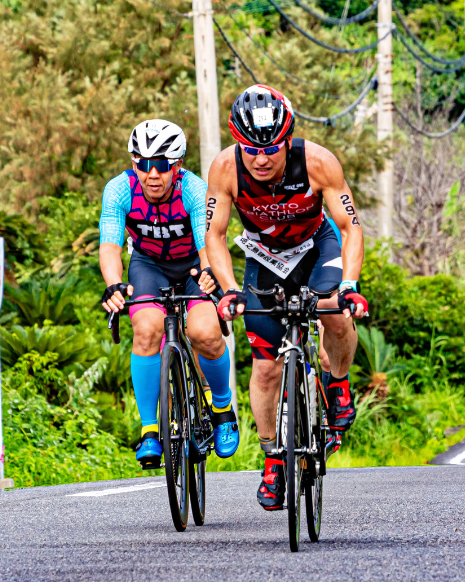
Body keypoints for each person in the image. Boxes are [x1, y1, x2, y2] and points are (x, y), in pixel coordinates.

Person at [204, 84, 367, 511]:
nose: (261, 158)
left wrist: (349, 284)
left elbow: (351, 228)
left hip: (317, 249)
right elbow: (215, 236)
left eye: (272, 148)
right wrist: (229, 291)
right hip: (263, 259)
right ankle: (274, 456)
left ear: (287, 137)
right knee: (265, 367)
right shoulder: (224, 168)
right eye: (250, 148)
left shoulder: (318, 162)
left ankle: (337, 382)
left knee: (333, 308)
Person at [98, 119, 239, 469]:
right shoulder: (119, 190)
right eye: (142, 165)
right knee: (146, 330)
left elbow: (208, 241)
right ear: (134, 164)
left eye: (160, 165)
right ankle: (150, 431)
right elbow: (110, 245)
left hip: (192, 266)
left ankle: (222, 410)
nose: (151, 174)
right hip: (149, 266)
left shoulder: (194, 189)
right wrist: (114, 284)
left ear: (176, 166)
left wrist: (209, 272)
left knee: (204, 333)